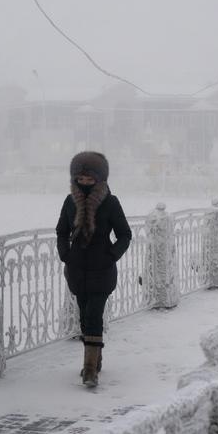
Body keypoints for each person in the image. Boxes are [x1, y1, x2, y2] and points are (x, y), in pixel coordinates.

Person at [56, 152, 132, 388]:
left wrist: (110, 255)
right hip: (77, 269)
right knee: (83, 316)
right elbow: (61, 231)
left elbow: (124, 235)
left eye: (90, 179)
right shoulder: (70, 202)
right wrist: (65, 254)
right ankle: (96, 357)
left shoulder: (111, 202)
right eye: (81, 178)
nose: (85, 182)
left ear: (100, 179)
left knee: (94, 316)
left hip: (101, 269)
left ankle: (89, 370)